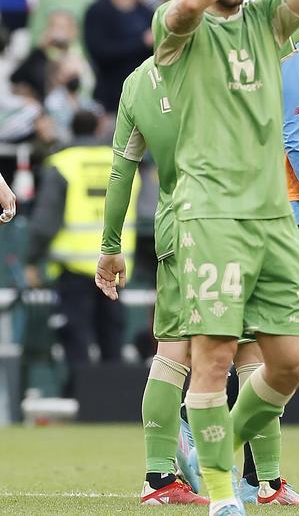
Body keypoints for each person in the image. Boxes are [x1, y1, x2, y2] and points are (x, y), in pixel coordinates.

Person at [147, 0, 299, 515]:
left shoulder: (266, 23)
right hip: (212, 216)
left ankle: (211, 448)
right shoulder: (177, 28)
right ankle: (225, 495)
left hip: (273, 217)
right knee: (216, 358)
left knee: (289, 362)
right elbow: (192, 2)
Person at [96, 55, 209, 507]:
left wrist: (110, 245)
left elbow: (122, 170)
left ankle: (160, 474)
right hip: (232, 220)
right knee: (259, 349)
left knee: (174, 350)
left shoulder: (137, 80)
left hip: (173, 226)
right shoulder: (231, 53)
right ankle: (263, 479)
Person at [26, 110, 136, 398]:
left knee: (76, 338)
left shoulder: (62, 164)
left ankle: (83, 400)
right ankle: (113, 402)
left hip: (73, 268)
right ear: (99, 127)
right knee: (112, 336)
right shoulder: (120, 161)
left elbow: (45, 221)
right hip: (115, 265)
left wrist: (30, 259)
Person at [83, 0, 154, 112]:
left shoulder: (148, 13)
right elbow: (100, 52)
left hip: (145, 98)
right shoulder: (96, 11)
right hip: (110, 101)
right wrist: (142, 42)